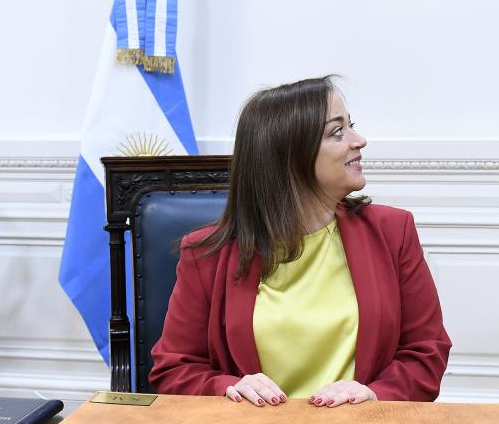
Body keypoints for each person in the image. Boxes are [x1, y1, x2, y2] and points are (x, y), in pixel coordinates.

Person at [150, 76, 451, 407]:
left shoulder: (394, 231)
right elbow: (173, 369)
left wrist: (375, 393)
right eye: (337, 132)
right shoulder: (206, 253)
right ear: (289, 157)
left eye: (351, 126)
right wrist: (227, 387)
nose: (359, 140)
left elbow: (426, 352)